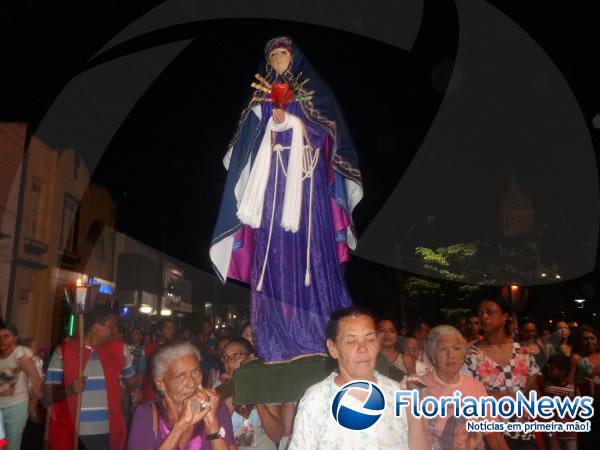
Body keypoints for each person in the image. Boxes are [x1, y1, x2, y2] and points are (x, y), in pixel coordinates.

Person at [210, 36, 363, 362]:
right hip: (272, 188)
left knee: (312, 253)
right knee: (273, 257)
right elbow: (246, 144)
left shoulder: (315, 94)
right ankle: (277, 336)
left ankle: (320, 332)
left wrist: (293, 121)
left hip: (307, 187)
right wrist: (270, 120)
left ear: (294, 59)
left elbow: (329, 133)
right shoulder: (260, 98)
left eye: (283, 54)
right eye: (273, 55)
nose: (279, 59)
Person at [289, 306, 430, 449]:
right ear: (333, 348)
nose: (363, 348)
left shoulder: (398, 394)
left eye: (370, 339)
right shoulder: (316, 400)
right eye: (351, 341)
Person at [44, 307, 140, 450]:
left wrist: (135, 390)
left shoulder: (121, 350)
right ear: (96, 328)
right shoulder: (64, 351)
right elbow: (48, 396)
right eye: (112, 327)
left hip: (107, 432)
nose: (116, 331)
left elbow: (132, 383)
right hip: (72, 432)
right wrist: (71, 389)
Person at [463, 297, 541, 450]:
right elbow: (465, 395)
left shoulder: (523, 351)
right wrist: (500, 396)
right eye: (480, 313)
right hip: (489, 436)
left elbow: (534, 390)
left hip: (523, 434)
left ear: (505, 316)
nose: (483, 317)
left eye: (489, 312)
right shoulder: (470, 355)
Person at [127, 342, 235, 450]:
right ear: (161, 384)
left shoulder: (218, 410)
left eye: (196, 372)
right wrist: (181, 425)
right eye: (181, 377)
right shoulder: (146, 414)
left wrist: (212, 423)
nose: (192, 383)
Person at [422, 325, 509, 450]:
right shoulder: (419, 388)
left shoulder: (476, 387)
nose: (451, 355)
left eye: (456, 348)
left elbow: (493, 435)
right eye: (442, 349)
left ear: (463, 354)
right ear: (432, 355)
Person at [218, 338, 283, 449]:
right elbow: (218, 432)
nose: (229, 362)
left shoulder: (267, 386)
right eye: (226, 358)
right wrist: (233, 388)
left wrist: (254, 391)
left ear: (251, 357)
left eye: (235, 356)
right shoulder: (219, 388)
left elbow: (276, 435)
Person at [0, 322, 42, 450]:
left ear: (16, 338)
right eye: (0, 337)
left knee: (11, 446)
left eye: (7, 336)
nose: (2, 340)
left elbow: (36, 379)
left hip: (16, 408)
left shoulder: (19, 353)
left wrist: (33, 406)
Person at [568, 325, 600, 449]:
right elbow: (570, 382)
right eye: (585, 339)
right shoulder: (577, 358)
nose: (589, 342)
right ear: (579, 341)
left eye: (592, 338)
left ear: (597, 339)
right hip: (587, 405)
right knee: (588, 441)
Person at [542, 354, 578, 450]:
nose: (549, 372)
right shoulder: (549, 388)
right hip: (555, 435)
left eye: (553, 369)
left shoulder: (573, 388)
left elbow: (580, 406)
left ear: (563, 372)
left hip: (570, 435)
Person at [143, 318, 178, 401]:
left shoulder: (178, 348)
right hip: (154, 390)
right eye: (168, 328)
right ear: (160, 331)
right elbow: (143, 372)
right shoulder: (149, 348)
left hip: (173, 390)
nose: (171, 331)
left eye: (173, 328)